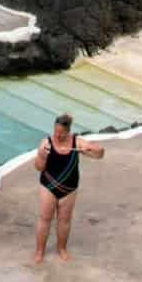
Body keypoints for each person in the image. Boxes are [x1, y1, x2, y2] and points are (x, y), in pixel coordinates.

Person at [34, 112, 104, 263]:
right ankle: (39, 251)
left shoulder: (77, 143)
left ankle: (61, 248)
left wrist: (95, 150)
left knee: (64, 219)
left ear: (68, 131)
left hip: (69, 188)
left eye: (62, 133)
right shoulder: (45, 143)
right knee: (45, 218)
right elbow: (38, 167)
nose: (58, 135)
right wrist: (42, 156)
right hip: (48, 185)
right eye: (56, 131)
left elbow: (99, 155)